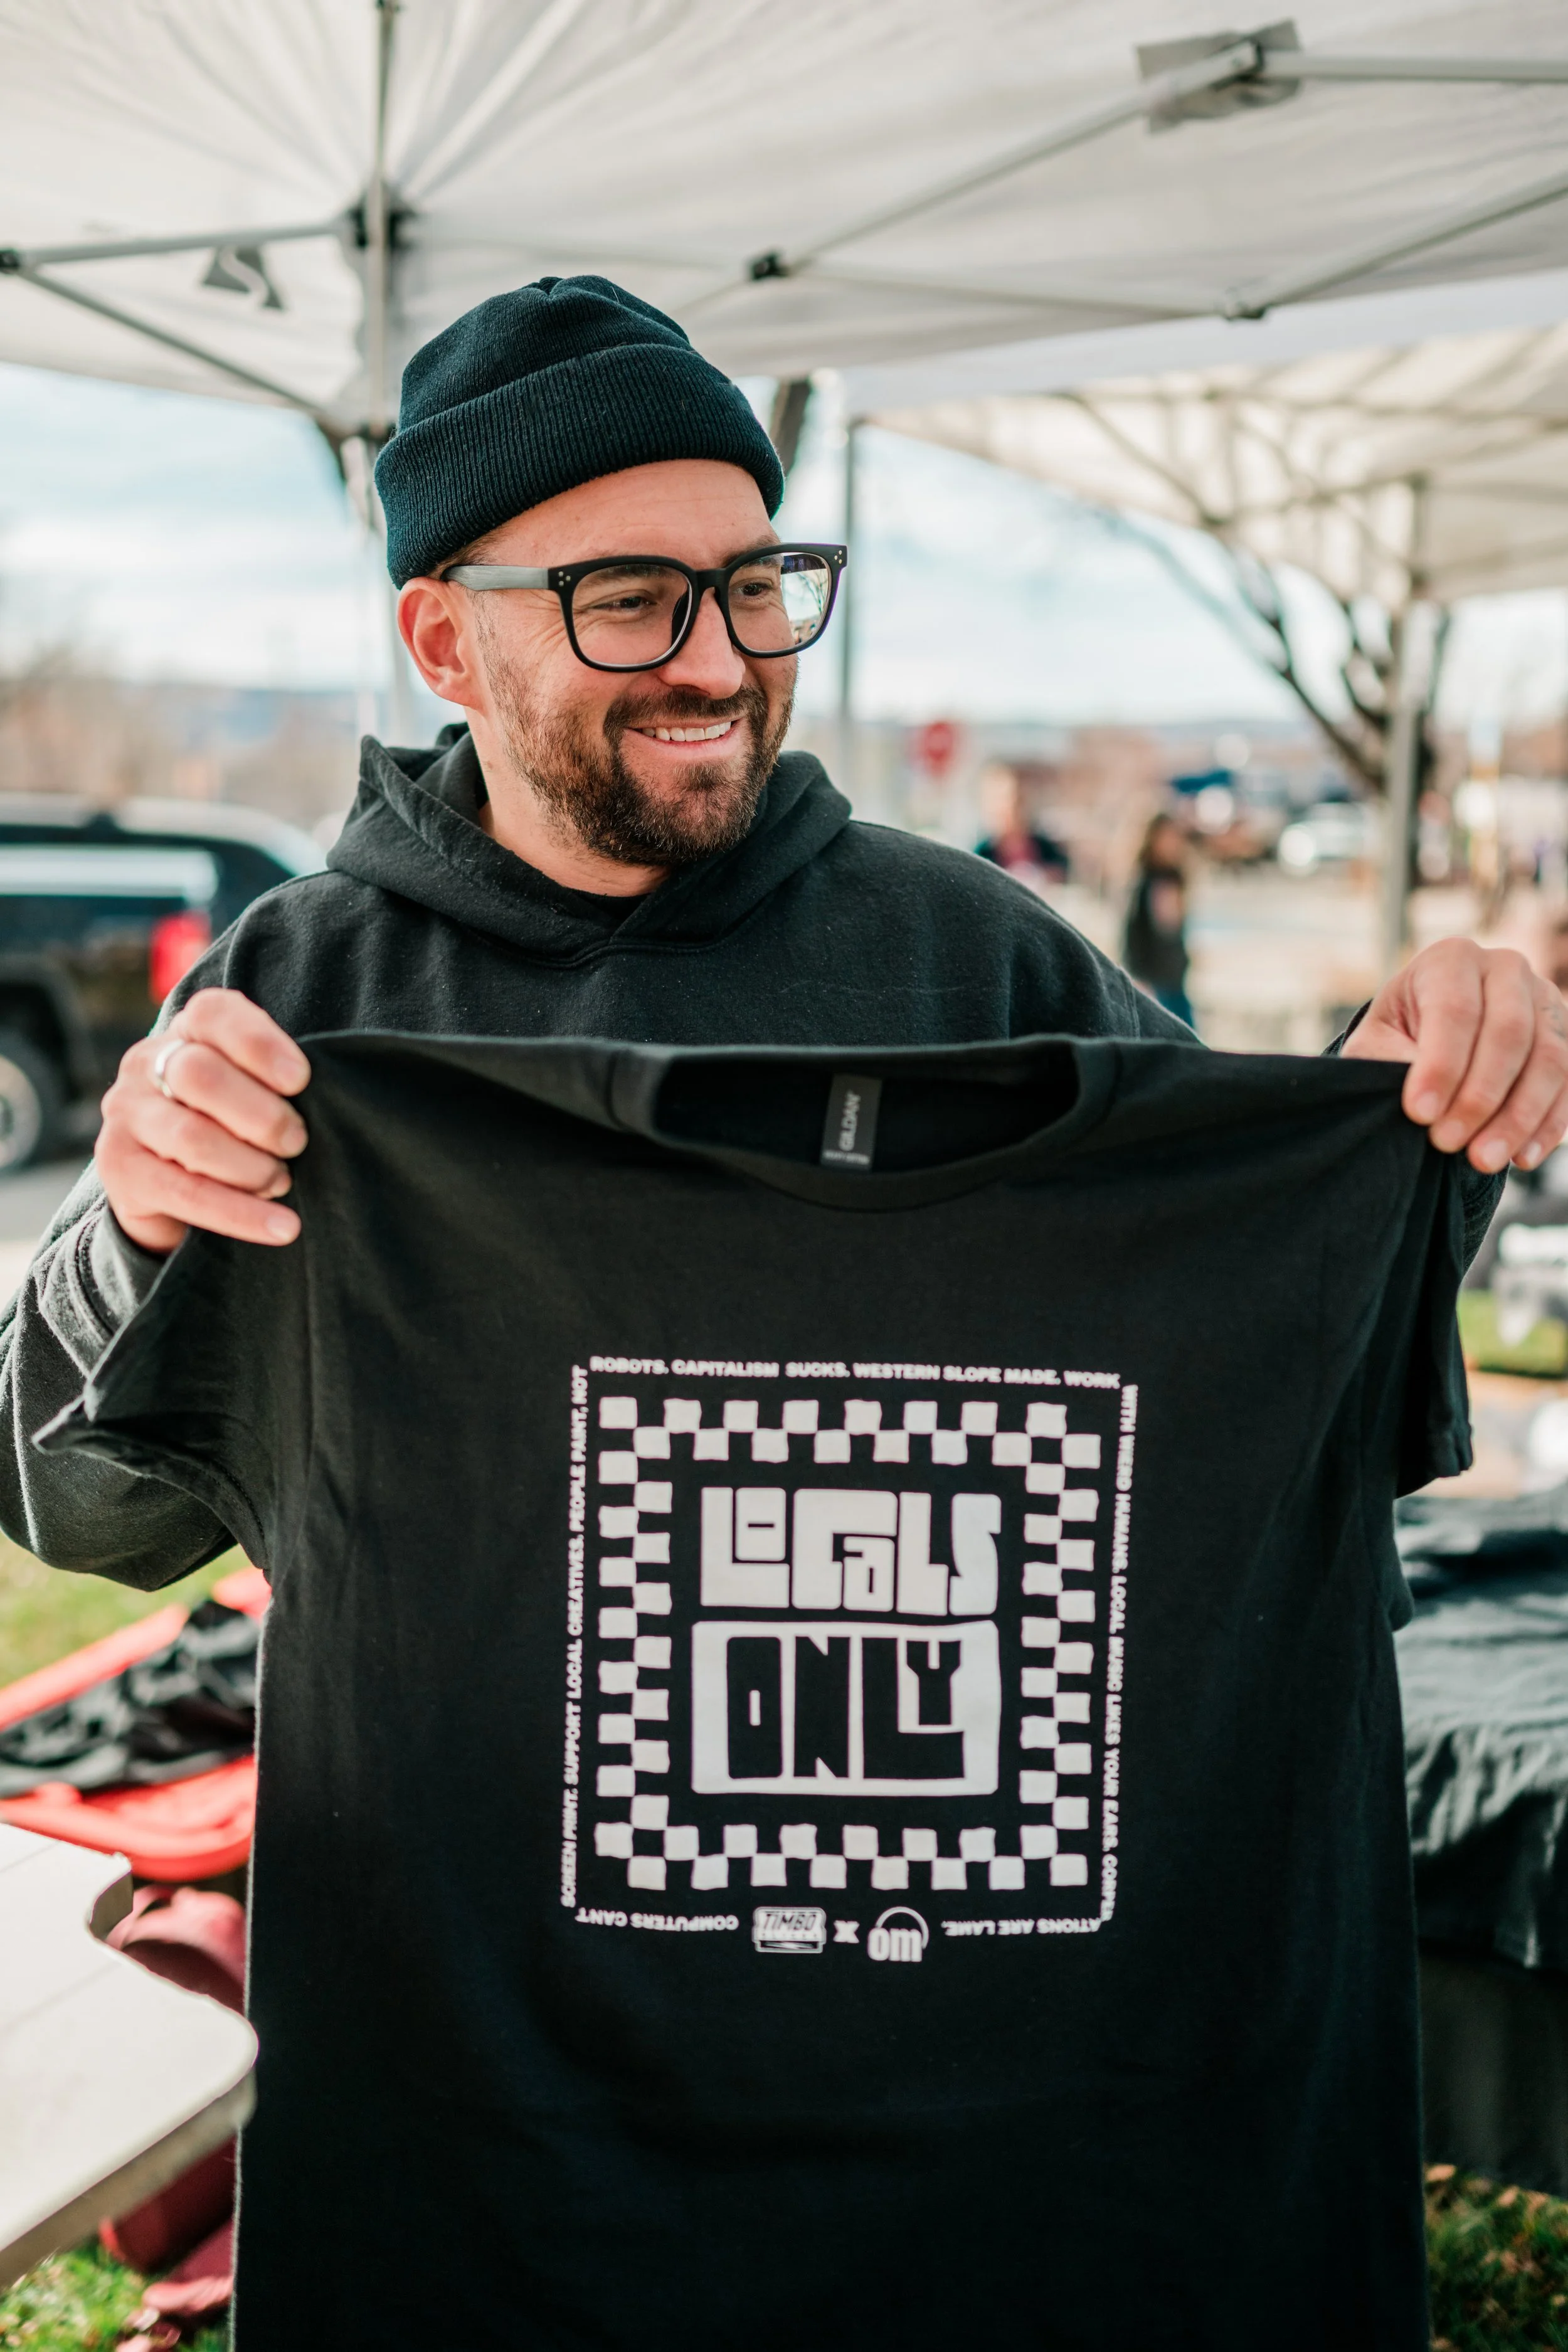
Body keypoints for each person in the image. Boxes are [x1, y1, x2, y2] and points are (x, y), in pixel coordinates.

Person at [3, 273, 1568, 2322]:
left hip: (975, 2162)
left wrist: (1427, 1115)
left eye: (758, 587)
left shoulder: (975, 962)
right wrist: (127, 1219)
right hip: (483, 2151)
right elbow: (85, 1516)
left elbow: (1266, 1360)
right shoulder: (308, 1007)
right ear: (442, 637)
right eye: (636, 599)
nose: (721, 662)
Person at [1123, 809, 1194, 1029]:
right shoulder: (1145, 881)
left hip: (1174, 977)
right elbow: (1132, 932)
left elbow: (1176, 931)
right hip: (1153, 978)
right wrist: (1137, 975)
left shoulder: (1175, 877)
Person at [975, 760, 1070, 885]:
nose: (1011, 808)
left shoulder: (1048, 849)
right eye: (1003, 800)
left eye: (1018, 799)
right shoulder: (981, 855)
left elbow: (1064, 876)